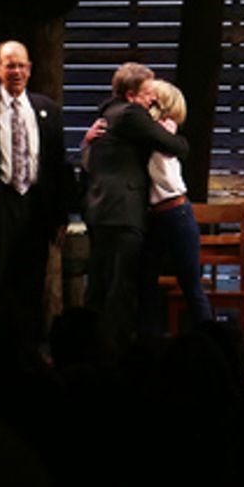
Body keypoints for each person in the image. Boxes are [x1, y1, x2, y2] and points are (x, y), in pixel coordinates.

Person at [83, 62, 189, 346]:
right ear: (130, 95)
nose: (152, 99)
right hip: (122, 210)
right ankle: (114, 348)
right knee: (121, 286)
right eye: (147, 94)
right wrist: (171, 131)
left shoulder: (107, 113)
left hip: (100, 208)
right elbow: (177, 147)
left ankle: (90, 345)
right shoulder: (131, 114)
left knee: (100, 283)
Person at [0, 40, 69, 350]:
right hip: (0, 203)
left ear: (30, 70)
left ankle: (29, 349)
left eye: (21, 65)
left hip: (36, 206)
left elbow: (58, 164)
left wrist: (60, 215)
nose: (16, 71)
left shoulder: (48, 109)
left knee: (32, 280)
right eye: (10, 65)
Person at [139, 79, 213, 331]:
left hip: (174, 211)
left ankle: (210, 338)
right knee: (145, 281)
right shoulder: (151, 130)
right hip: (156, 215)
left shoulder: (162, 130)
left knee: (190, 283)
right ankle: (149, 338)